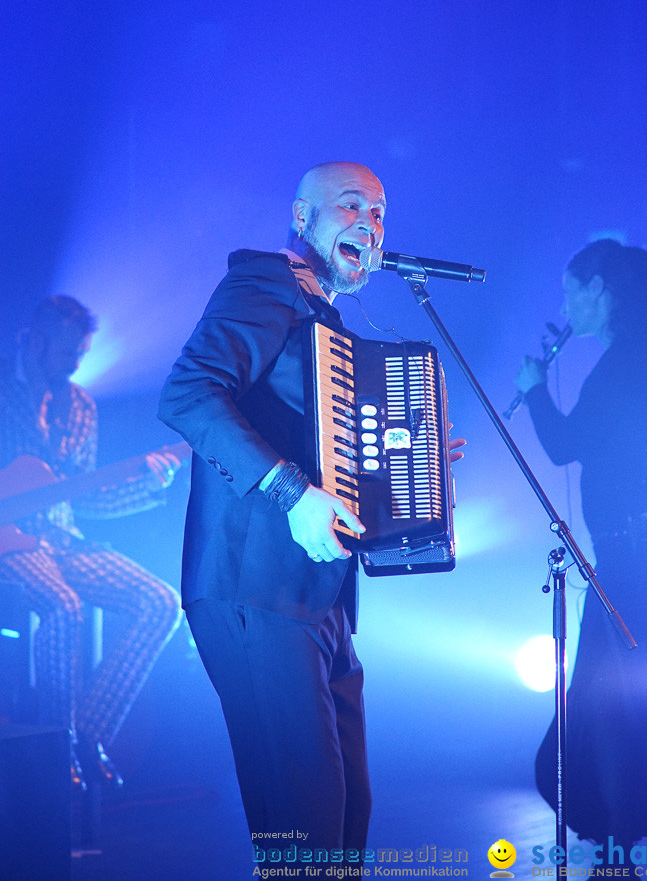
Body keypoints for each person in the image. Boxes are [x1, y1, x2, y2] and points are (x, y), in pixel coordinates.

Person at [158, 162, 462, 875]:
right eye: (350, 205)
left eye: (381, 213)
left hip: (319, 598)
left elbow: (324, 445)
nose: (370, 223)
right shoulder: (263, 284)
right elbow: (189, 396)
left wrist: (414, 456)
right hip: (253, 585)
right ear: (303, 217)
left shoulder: (325, 315)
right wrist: (295, 494)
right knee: (306, 825)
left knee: (345, 816)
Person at [515, 239, 647, 856]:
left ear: (600, 290)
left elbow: (565, 445)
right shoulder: (640, 355)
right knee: (623, 703)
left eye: (571, 289)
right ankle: (634, 833)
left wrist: (534, 390)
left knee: (637, 701)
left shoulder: (628, 362)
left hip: (637, 554)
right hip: (638, 551)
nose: (566, 304)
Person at [0, 296, 182, 789]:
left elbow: (84, 499)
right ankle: (55, 752)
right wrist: (35, 406)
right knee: (64, 607)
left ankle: (80, 739)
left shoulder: (79, 404)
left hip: (63, 538)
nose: (74, 364)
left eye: (80, 354)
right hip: (9, 541)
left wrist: (146, 482)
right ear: (33, 342)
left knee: (161, 602)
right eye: (64, 353)